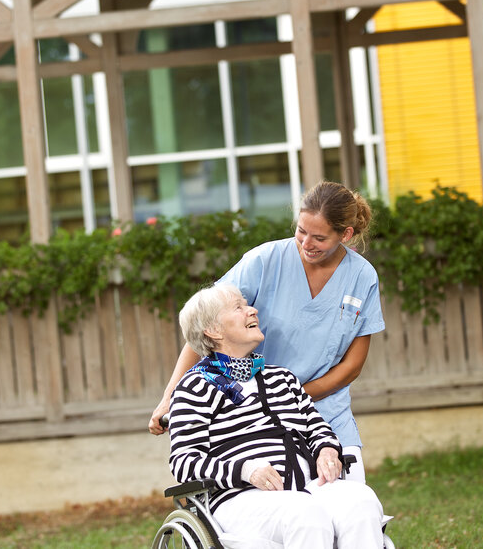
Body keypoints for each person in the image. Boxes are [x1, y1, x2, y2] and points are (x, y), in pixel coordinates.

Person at [151, 180, 385, 482]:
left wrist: (291, 396)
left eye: (319, 237)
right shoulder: (264, 261)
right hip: (258, 412)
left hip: (326, 409)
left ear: (346, 234)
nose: (306, 243)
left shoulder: (362, 276)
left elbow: (352, 366)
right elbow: (208, 324)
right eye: (301, 231)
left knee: (352, 504)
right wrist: (170, 396)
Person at [168, 283, 386, 548]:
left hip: (305, 487)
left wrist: (327, 449)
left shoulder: (281, 377)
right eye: (239, 307)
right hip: (242, 498)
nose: (253, 311)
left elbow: (317, 427)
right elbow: (184, 462)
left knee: (360, 501)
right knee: (303, 514)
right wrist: (245, 470)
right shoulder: (195, 387)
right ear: (213, 330)